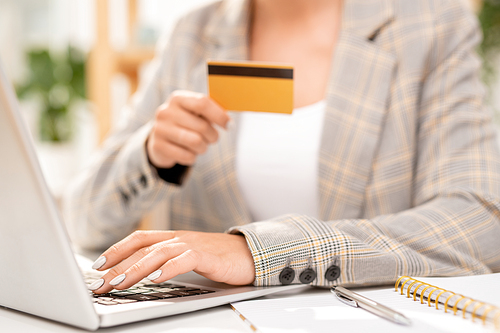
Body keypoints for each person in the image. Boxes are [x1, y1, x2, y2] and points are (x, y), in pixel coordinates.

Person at [64, 0, 500, 294]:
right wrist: (152, 157)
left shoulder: (431, 25)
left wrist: (259, 250)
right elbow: (83, 222)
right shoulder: (193, 34)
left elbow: (481, 219)